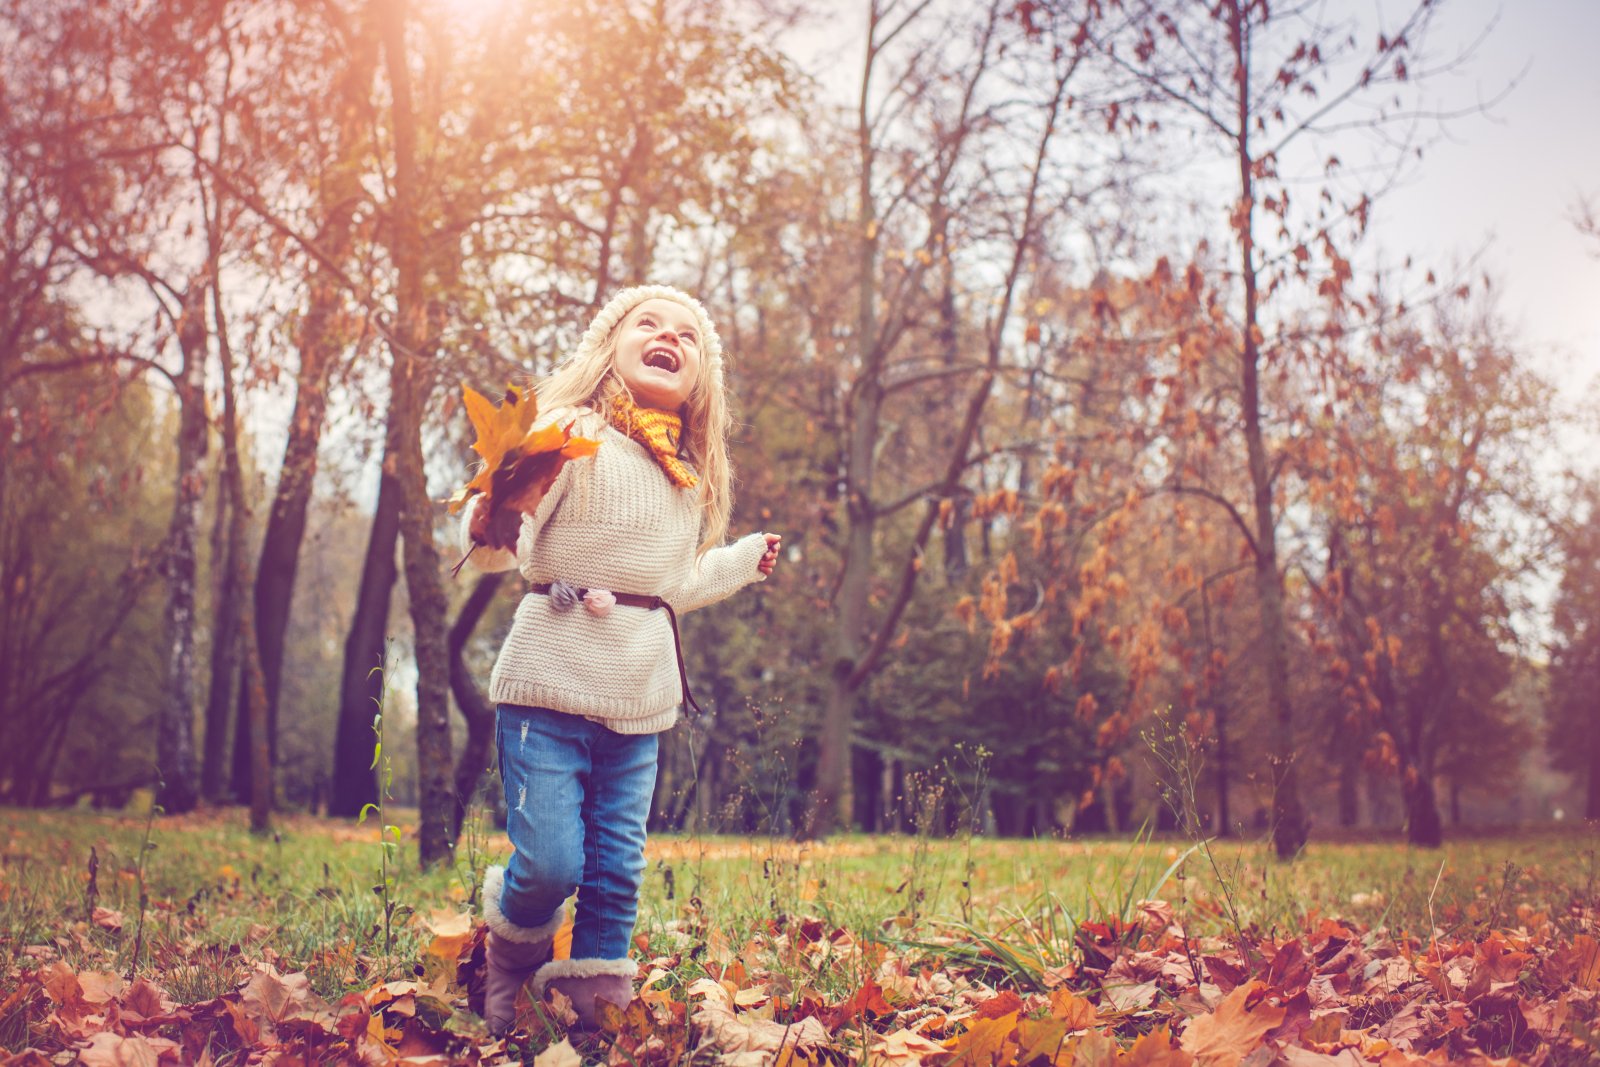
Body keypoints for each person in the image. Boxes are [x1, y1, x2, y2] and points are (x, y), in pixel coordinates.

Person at [459, 285, 781, 1036]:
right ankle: (509, 954)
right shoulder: (569, 434)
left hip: (639, 699)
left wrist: (736, 561)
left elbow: (669, 587)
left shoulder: (684, 474)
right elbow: (499, 542)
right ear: (610, 342)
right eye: (649, 323)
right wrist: (492, 517)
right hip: (549, 684)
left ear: (703, 380)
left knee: (614, 868)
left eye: (688, 336)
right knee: (549, 862)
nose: (669, 336)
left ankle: (592, 1013)